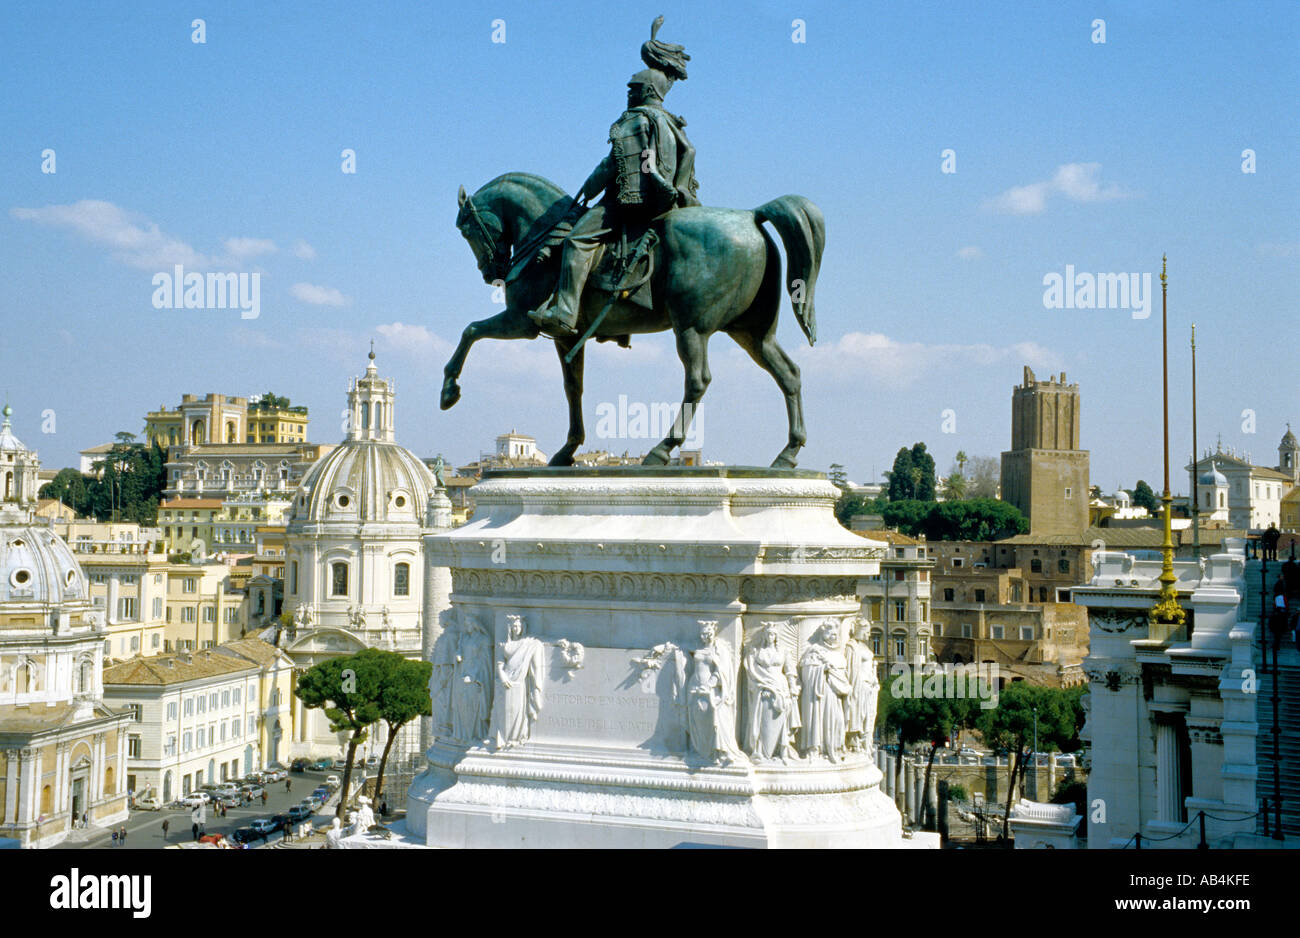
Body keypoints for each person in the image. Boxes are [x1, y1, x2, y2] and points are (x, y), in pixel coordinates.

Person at [528, 19, 698, 337]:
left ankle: (565, 311)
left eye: (632, 89)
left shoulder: (635, 120)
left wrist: (586, 191)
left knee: (577, 240)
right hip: (669, 205)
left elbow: (615, 165)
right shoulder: (671, 122)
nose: (628, 94)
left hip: (634, 204)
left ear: (647, 90)